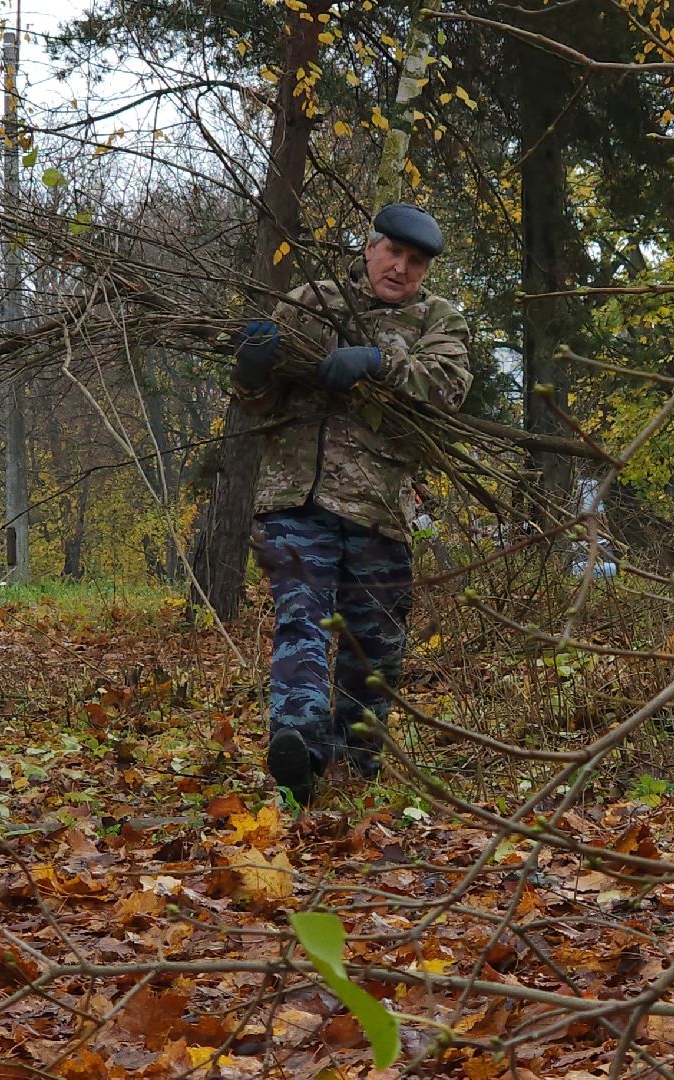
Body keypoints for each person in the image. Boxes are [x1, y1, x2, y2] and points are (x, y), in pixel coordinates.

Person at [229, 204, 472, 804]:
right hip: (297, 500)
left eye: (415, 262)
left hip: (380, 511)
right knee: (301, 622)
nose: (401, 267)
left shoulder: (438, 321)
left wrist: (380, 362)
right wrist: (252, 372)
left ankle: (355, 770)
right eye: (392, 251)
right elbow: (257, 402)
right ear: (369, 248)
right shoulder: (313, 302)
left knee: (374, 647)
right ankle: (299, 751)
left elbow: (448, 391)